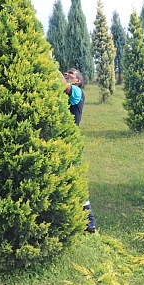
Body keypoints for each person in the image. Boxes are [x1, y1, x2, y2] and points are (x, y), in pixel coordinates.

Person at [60, 68, 96, 232]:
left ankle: (90, 223)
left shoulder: (76, 92)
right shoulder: (62, 95)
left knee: (75, 181)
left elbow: (62, 84)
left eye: (71, 74)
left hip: (70, 145)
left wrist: (50, 65)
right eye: (66, 73)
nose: (67, 74)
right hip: (60, 142)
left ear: (77, 81)